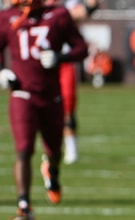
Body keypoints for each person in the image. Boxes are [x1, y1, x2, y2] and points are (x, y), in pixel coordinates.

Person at [0, 0, 88, 220]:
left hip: (51, 95)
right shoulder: (7, 17)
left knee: (54, 150)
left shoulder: (58, 15)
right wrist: (0, 70)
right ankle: (24, 206)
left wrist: (60, 57)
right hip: (21, 93)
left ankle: (51, 171)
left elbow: (81, 48)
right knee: (23, 149)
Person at [44, 0, 99, 165]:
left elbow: (87, 9)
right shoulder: (35, 9)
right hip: (40, 62)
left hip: (64, 61)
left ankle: (71, 148)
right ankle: (49, 148)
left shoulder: (65, 10)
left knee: (67, 106)